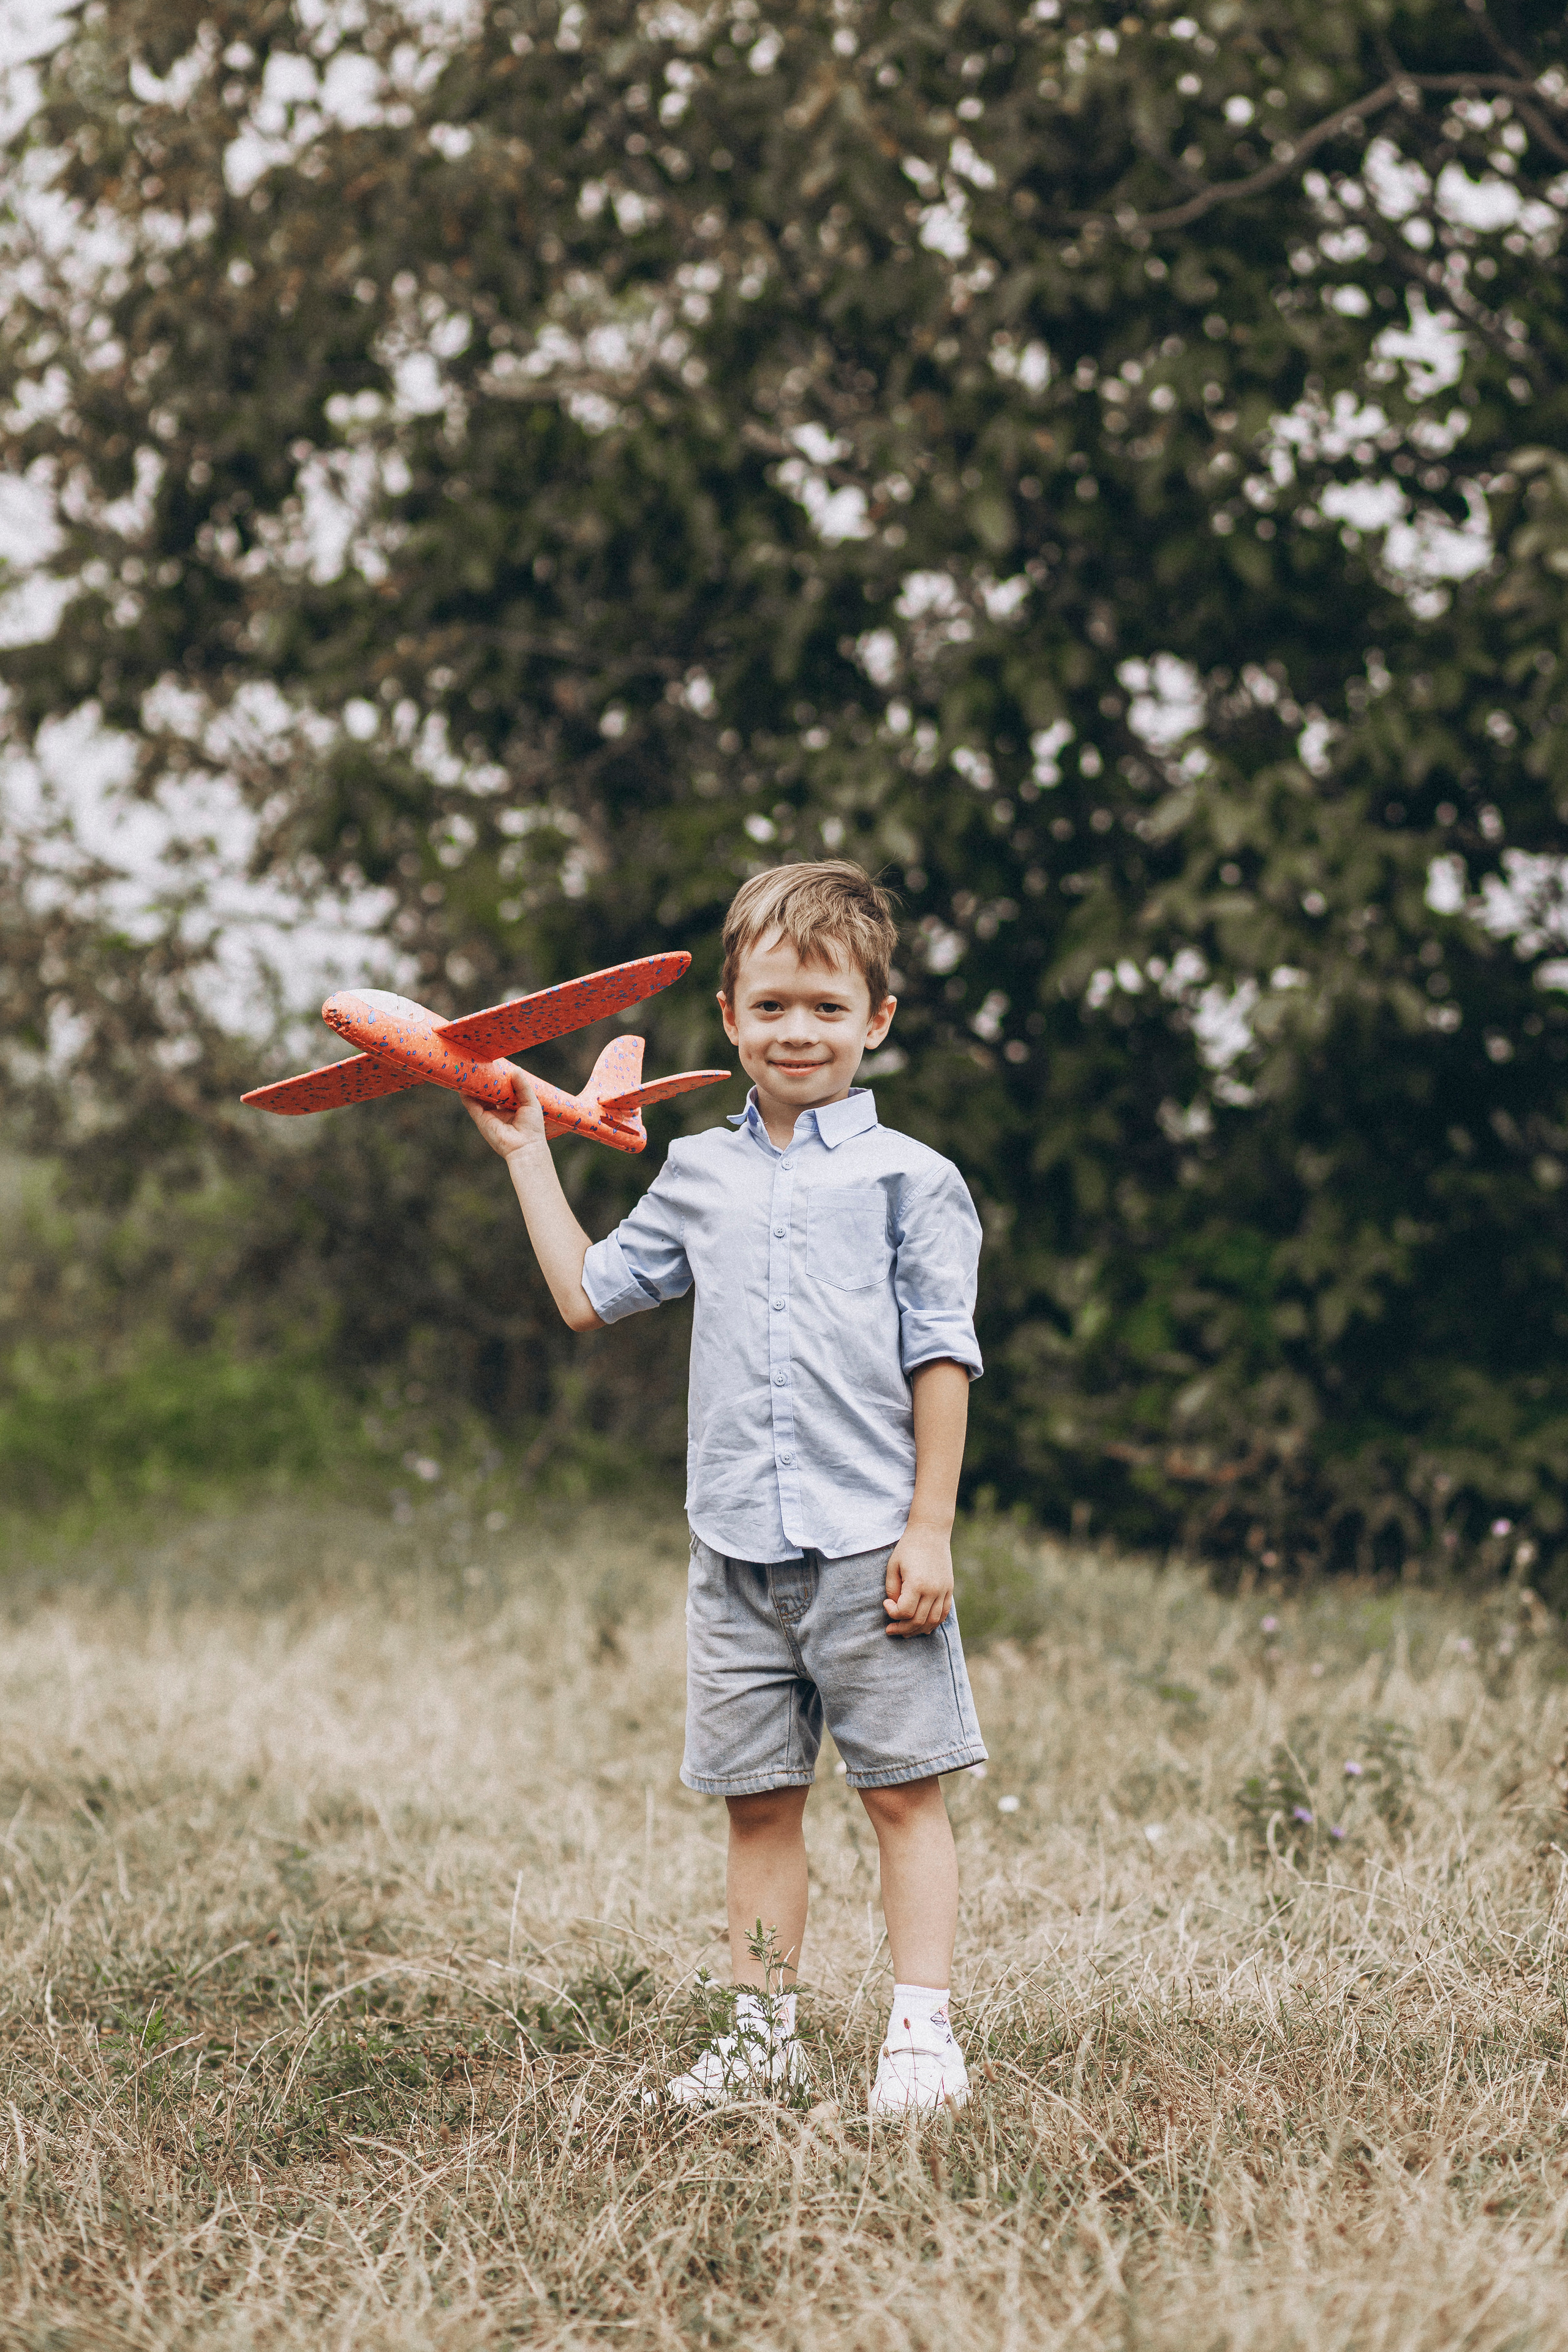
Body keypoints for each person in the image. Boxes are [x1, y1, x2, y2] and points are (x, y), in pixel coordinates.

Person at [464, 862, 986, 2115]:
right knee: (757, 1811)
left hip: (871, 1549)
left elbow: (942, 1356)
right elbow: (589, 1296)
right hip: (734, 1557)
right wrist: (529, 1156)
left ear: (874, 1021)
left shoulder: (910, 1179)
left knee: (901, 1799)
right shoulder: (698, 1173)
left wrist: (929, 1528)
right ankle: (760, 2039)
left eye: (821, 1006)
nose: (792, 1032)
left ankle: (920, 2040)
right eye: (767, 1008)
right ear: (730, 1018)